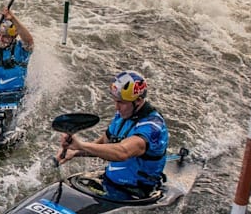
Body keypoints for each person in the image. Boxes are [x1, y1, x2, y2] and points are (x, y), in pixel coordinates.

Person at [56, 70, 169, 200]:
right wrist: (75, 152)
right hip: (110, 183)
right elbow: (104, 144)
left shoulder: (153, 128)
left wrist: (81, 144)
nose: (116, 107)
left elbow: (122, 152)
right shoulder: (123, 116)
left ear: (138, 100)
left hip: (136, 193)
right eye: (115, 101)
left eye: (121, 102)